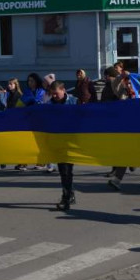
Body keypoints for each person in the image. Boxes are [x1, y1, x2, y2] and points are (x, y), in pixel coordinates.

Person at [46, 81, 78, 210]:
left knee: (66, 171)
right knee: (64, 171)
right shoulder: (49, 105)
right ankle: (69, 195)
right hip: (58, 142)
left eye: (56, 94)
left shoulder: (74, 102)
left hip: (71, 141)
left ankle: (66, 198)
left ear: (63, 90)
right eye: (52, 94)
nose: (54, 97)